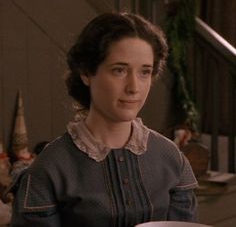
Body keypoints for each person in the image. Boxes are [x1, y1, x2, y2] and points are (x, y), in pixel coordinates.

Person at [10, 12, 198, 226]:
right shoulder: (50, 169)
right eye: (119, 70)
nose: (134, 87)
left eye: (144, 72)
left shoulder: (171, 158)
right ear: (86, 73)